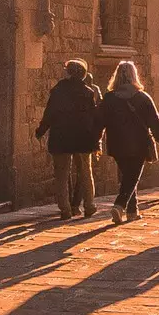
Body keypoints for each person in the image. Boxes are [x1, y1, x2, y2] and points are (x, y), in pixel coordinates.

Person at [98, 60, 159, 223]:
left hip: (116, 144)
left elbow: (99, 121)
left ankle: (132, 211)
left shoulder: (109, 98)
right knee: (132, 177)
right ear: (134, 75)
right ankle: (119, 205)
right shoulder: (142, 97)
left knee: (128, 176)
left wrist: (96, 142)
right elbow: (155, 122)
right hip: (138, 144)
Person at [35, 59, 102, 220]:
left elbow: (49, 114)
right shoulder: (88, 92)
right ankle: (89, 205)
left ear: (68, 72)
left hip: (61, 136)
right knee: (86, 171)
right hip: (83, 137)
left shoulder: (58, 91)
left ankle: (65, 209)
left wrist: (41, 131)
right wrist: (96, 138)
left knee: (62, 174)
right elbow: (94, 118)